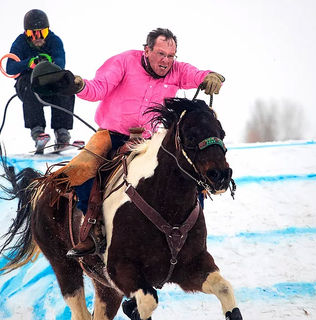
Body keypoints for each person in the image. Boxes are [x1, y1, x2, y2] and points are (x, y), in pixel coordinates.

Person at [35, 28, 224, 257]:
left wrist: (209, 77)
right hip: (111, 135)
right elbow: (98, 88)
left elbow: (195, 74)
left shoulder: (176, 70)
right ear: (147, 50)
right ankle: (94, 228)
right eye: (161, 54)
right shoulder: (123, 62)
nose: (166, 61)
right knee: (81, 169)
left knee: (189, 175)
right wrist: (78, 85)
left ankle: (191, 235)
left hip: (151, 142)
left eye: (171, 56)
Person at [5, 9, 75, 153]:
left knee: (66, 83)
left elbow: (61, 62)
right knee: (29, 86)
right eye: (32, 33)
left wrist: (49, 62)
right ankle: (37, 132)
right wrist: (28, 63)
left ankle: (62, 132)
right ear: (26, 33)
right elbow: (10, 68)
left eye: (41, 33)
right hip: (28, 85)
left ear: (47, 31)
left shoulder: (54, 41)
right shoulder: (19, 44)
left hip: (50, 81)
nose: (37, 37)